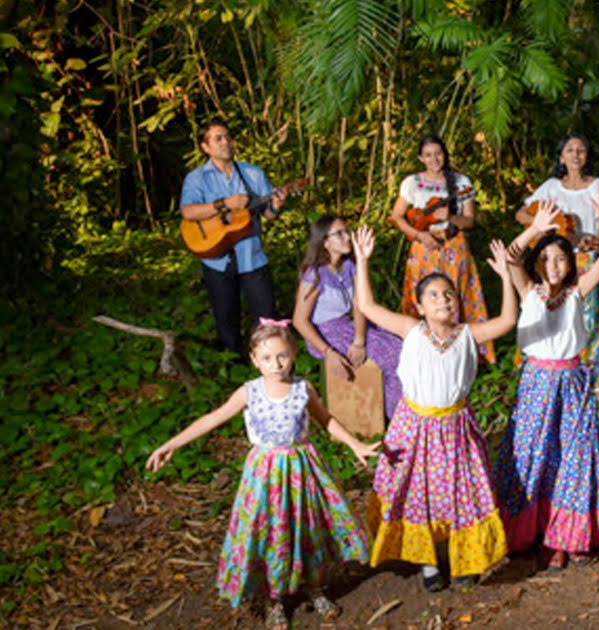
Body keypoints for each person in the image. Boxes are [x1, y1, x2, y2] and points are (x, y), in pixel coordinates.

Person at [146, 321, 378, 629]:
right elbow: (212, 418)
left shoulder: (302, 388)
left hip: (301, 471)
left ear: (293, 355)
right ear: (254, 359)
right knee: (271, 532)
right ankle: (275, 600)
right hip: (265, 476)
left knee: (305, 529)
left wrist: (355, 444)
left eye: (282, 356)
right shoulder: (249, 392)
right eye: (266, 358)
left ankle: (313, 588)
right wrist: (172, 444)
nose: (276, 364)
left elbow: (327, 421)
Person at [351, 226, 516, 591]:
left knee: (465, 495)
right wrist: (362, 261)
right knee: (417, 496)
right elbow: (367, 306)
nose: (443, 300)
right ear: (421, 305)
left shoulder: (468, 334)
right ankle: (428, 565)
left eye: (449, 294)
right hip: (415, 430)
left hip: (456, 428)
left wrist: (506, 277)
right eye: (434, 295)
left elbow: (507, 322)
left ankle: (466, 559)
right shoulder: (411, 330)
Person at [496, 188, 599, 570]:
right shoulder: (528, 290)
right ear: (538, 262)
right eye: (546, 257)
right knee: (533, 456)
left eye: (561, 257)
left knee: (575, 457)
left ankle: (569, 535)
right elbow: (511, 257)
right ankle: (533, 534)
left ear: (570, 263)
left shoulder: (575, 293)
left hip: (574, 383)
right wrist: (534, 228)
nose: (553, 264)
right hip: (536, 385)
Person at [517, 133, 599, 392]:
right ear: (561, 156)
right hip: (555, 262)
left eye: (581, 150)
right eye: (569, 150)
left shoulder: (598, 186)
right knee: (555, 315)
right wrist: (542, 226)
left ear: (587, 156)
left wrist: (598, 244)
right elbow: (521, 214)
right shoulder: (550, 187)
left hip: (589, 260)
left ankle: (594, 379)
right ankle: (549, 368)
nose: (575, 155)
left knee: (593, 318)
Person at [180, 119, 289, 353]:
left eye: (227, 136)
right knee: (226, 321)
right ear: (205, 147)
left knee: (267, 317)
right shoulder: (197, 178)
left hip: (252, 256)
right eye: (218, 138)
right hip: (217, 259)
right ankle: (232, 366)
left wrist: (277, 205)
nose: (225, 142)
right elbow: (188, 212)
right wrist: (223, 204)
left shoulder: (253, 174)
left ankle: (270, 359)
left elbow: (268, 215)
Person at [388, 135, 494, 362]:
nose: (434, 159)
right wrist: (418, 235)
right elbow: (396, 217)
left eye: (438, 153)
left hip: (453, 246)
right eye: (428, 155)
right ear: (420, 158)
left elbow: (469, 220)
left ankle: (460, 353)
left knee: (454, 294)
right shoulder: (412, 182)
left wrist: (451, 217)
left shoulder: (461, 181)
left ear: (445, 154)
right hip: (423, 247)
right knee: (425, 296)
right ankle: (423, 353)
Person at [293, 216, 405, 419]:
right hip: (326, 334)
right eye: (340, 234)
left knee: (401, 347)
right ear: (325, 242)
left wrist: (360, 340)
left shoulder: (350, 266)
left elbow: (360, 304)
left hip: (351, 326)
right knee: (393, 357)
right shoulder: (315, 275)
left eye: (347, 231)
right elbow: (299, 321)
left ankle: (401, 413)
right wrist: (328, 352)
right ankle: (397, 422)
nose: (347, 237)